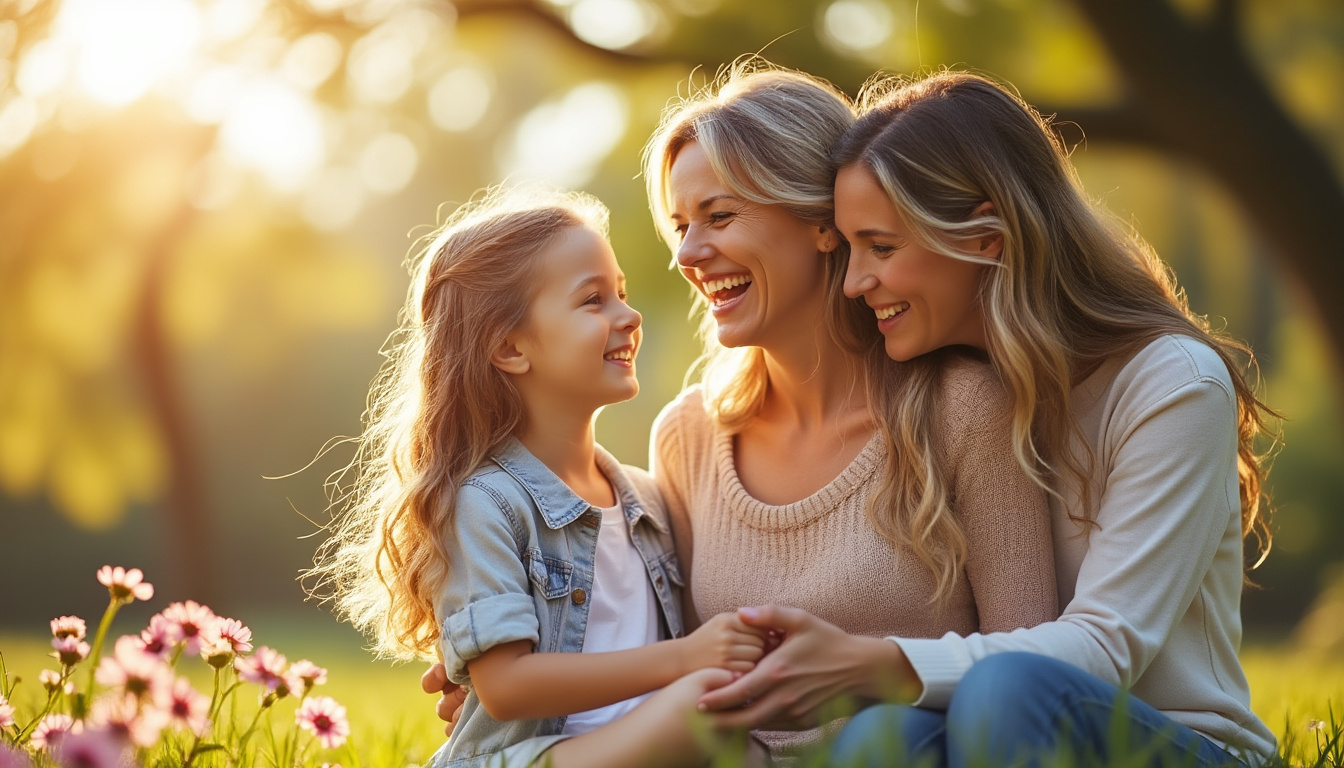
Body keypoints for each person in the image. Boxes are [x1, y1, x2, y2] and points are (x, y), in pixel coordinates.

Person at [424, 62, 1061, 765]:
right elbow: (661, 661)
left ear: (823, 223)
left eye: (719, 217)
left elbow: (1025, 679)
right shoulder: (688, 441)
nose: (690, 255)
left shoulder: (961, 410)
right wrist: (498, 682)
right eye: (681, 225)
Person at [699, 71, 1279, 767]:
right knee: (880, 739)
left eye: (882, 247)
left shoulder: (1171, 384)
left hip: (1171, 744)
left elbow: (1104, 647)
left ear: (986, 239)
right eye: (849, 248)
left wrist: (870, 662)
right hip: (996, 733)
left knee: (1004, 692)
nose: (855, 281)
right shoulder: (964, 394)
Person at [310, 186, 778, 768]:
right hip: (533, 759)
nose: (628, 316)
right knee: (707, 708)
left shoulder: (647, 500)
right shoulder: (486, 503)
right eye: (593, 301)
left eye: (623, 294)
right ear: (510, 347)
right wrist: (686, 661)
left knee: (738, 729)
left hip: (644, 752)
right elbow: (507, 688)